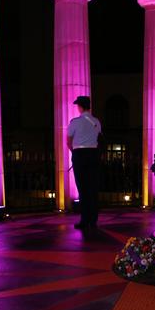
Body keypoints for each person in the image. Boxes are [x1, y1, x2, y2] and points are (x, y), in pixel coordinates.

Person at [67, 96, 102, 230]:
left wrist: (75, 153)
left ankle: (84, 219)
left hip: (80, 155)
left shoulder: (75, 122)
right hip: (93, 155)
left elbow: (69, 142)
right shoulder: (96, 122)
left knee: (83, 189)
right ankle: (93, 220)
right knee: (93, 188)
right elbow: (98, 137)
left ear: (80, 107)